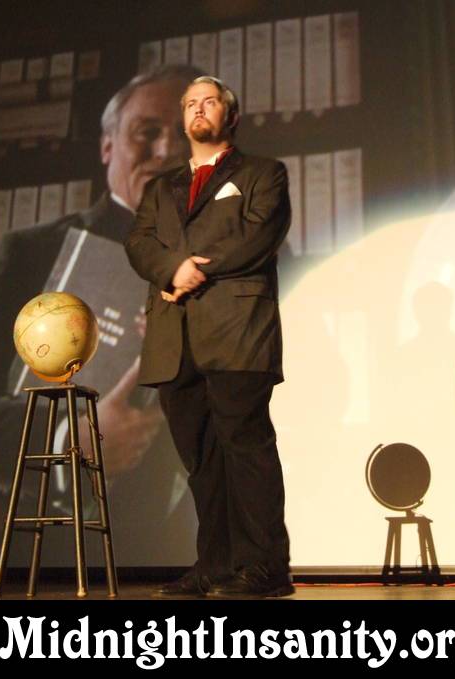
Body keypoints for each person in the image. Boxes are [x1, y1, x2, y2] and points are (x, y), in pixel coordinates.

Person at [0, 64, 204, 565]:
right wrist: (71, 442)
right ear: (107, 146)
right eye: (147, 132)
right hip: (63, 563)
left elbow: (317, 403)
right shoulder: (31, 253)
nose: (168, 151)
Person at [126, 76, 293, 597]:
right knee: (199, 460)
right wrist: (171, 269)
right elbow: (139, 244)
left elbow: (259, 234)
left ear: (231, 115)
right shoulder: (160, 187)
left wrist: (195, 269)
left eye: (210, 102)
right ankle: (216, 565)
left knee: (246, 450)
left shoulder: (264, 173)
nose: (199, 109)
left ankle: (265, 566)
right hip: (174, 339)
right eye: (191, 104)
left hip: (238, 332)